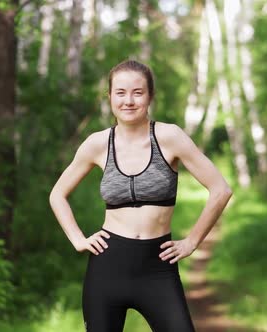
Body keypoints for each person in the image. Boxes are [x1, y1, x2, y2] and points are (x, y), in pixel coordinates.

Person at [49, 59, 233, 332]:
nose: (129, 100)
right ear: (110, 96)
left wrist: (192, 241)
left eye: (138, 92)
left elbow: (221, 189)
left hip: (158, 268)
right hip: (107, 267)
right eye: (120, 93)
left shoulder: (170, 137)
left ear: (150, 96)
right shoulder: (97, 144)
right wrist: (77, 239)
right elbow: (58, 194)